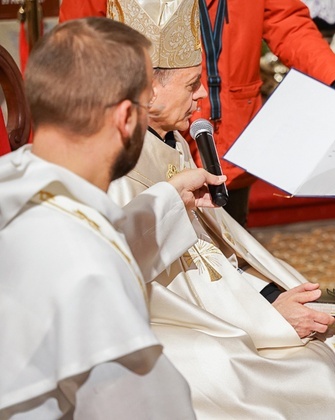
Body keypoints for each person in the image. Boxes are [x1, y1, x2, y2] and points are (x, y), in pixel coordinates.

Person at [100, 0, 335, 418]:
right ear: (149, 88)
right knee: (312, 374)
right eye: (192, 84)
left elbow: (212, 252)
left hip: (218, 299)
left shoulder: (170, 139)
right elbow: (157, 289)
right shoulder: (118, 168)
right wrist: (267, 316)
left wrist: (270, 292)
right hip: (165, 326)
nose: (201, 96)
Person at [0, 17, 226, 418]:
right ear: (125, 117)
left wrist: (171, 198)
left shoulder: (17, 182)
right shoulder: (89, 271)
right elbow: (143, 409)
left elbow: (95, 233)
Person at [60, 0, 335, 226]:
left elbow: (286, 20)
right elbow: (82, 46)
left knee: (231, 249)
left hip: (233, 134)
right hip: (151, 137)